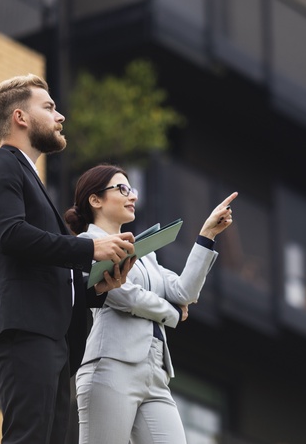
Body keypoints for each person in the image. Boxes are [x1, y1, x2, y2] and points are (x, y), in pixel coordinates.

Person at [0, 74, 137, 444]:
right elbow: (10, 235)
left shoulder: (32, 179)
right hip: (25, 328)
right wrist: (89, 249)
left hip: (52, 336)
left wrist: (100, 287)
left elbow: (53, 267)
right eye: (48, 107)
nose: (60, 116)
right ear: (20, 118)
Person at [64, 164, 237, 444]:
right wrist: (169, 312)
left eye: (131, 189)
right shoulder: (89, 243)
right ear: (95, 200)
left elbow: (183, 292)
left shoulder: (144, 253)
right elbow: (122, 294)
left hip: (155, 373)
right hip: (111, 366)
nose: (132, 195)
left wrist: (206, 236)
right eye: (122, 189)